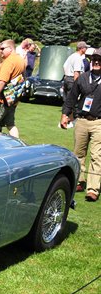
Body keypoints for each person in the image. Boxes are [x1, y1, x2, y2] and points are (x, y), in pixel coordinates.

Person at [60, 48, 101, 202]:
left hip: (99, 122)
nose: (96, 62)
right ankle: (79, 181)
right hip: (82, 121)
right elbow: (71, 97)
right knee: (78, 154)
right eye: (94, 59)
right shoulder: (83, 78)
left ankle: (93, 189)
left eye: (99, 60)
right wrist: (65, 114)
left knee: (97, 156)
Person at [0, 40, 26, 138]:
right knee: (11, 125)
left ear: (10, 48)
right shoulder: (20, 60)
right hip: (11, 99)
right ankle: (17, 144)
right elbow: (23, 78)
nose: (0, 51)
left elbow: (2, 80)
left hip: (1, 100)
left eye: (2, 49)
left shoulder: (9, 61)